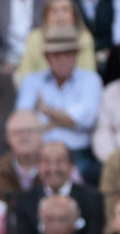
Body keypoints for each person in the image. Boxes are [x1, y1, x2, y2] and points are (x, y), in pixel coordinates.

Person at [14, 24, 103, 178]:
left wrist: (46, 110)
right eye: (57, 55)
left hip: (78, 152)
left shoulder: (90, 79)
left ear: (76, 55)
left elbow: (87, 120)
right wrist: (67, 119)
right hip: (40, 151)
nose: (63, 60)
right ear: (47, 56)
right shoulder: (31, 80)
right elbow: (24, 121)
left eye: (68, 54)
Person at [13, 139, 106, 234]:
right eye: (47, 162)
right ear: (39, 166)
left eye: (59, 161)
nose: (53, 168)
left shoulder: (91, 198)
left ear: (71, 165)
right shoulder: (26, 200)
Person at [17, 0, 98, 83]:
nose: (60, 15)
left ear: (74, 15)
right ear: (46, 16)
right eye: (54, 11)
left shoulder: (84, 38)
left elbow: (89, 74)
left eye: (65, 10)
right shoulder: (34, 38)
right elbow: (25, 77)